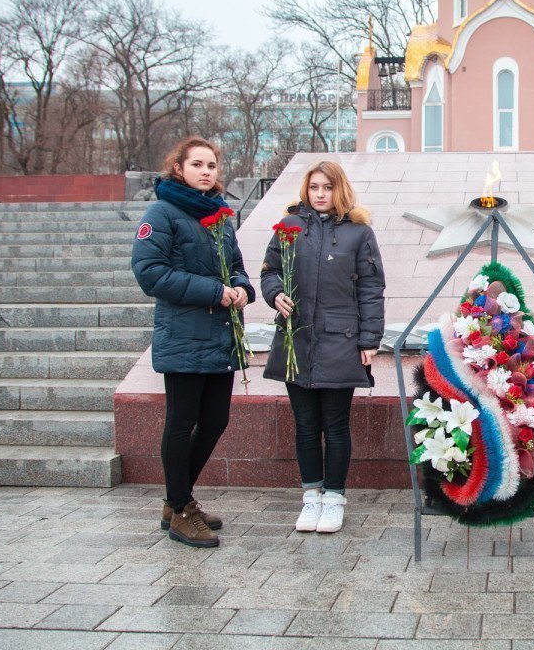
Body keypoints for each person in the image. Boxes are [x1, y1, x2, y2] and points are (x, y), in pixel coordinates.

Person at [131, 136, 254, 549]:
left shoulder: (221, 216)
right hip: (184, 335)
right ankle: (181, 509)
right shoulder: (162, 213)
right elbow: (149, 273)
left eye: (212, 165)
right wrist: (212, 291)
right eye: (197, 164)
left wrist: (240, 289)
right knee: (182, 424)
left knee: (215, 421)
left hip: (219, 336)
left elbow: (236, 267)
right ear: (178, 168)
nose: (206, 171)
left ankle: (175, 499)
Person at [261, 161, 386, 534]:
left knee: (334, 426)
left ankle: (334, 499)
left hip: (340, 339)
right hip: (296, 338)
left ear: (339, 190)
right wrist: (275, 294)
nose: (319, 194)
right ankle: (310, 496)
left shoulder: (359, 233)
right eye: (314, 187)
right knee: (304, 425)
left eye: (327, 187)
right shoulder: (289, 227)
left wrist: (369, 340)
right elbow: (269, 271)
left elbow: (371, 288)